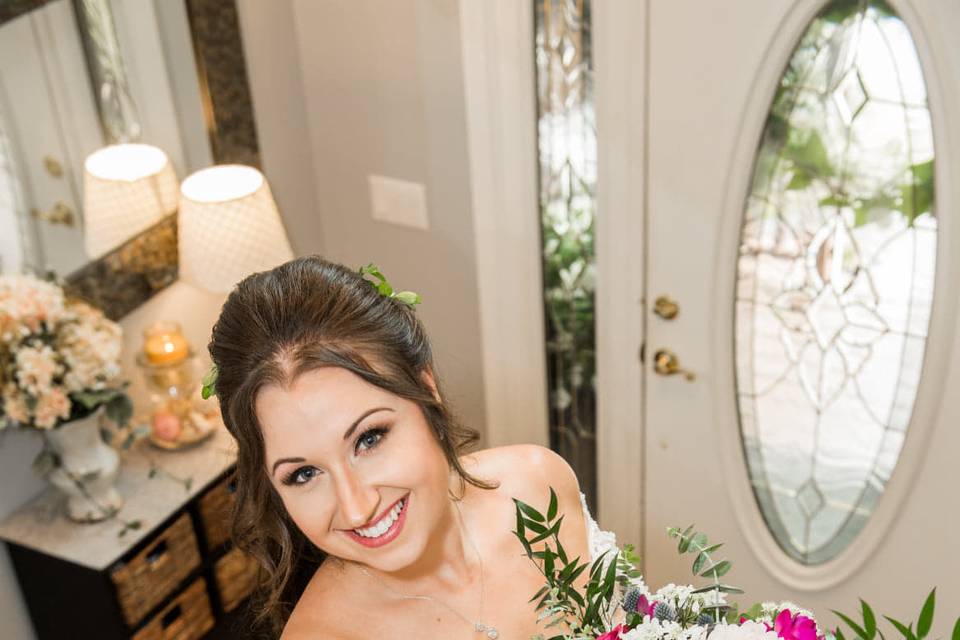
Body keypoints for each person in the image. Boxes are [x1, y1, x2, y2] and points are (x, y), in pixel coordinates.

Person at [207, 256, 594, 639]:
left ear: (427, 389)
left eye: (369, 438)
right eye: (304, 474)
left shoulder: (538, 483)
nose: (357, 508)